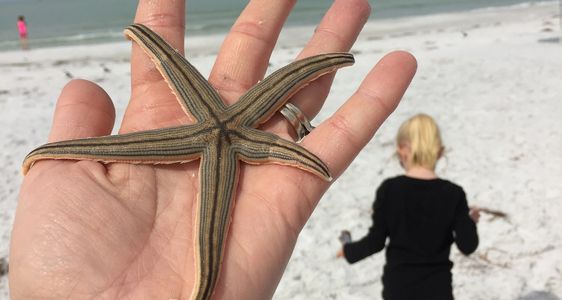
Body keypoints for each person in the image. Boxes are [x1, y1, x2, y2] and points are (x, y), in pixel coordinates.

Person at [9, 0, 417, 298]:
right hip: (222, 134)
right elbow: (168, 80)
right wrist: (57, 150)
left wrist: (53, 151)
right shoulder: (222, 127)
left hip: (225, 135)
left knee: (212, 218)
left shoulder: (235, 134)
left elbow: (277, 90)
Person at [337, 113, 480, 300]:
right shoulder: (453, 194)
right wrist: (469, 222)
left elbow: (375, 241)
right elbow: (468, 246)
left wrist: (348, 250)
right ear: (440, 152)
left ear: (402, 149)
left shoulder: (390, 190)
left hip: (398, 290)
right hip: (438, 291)